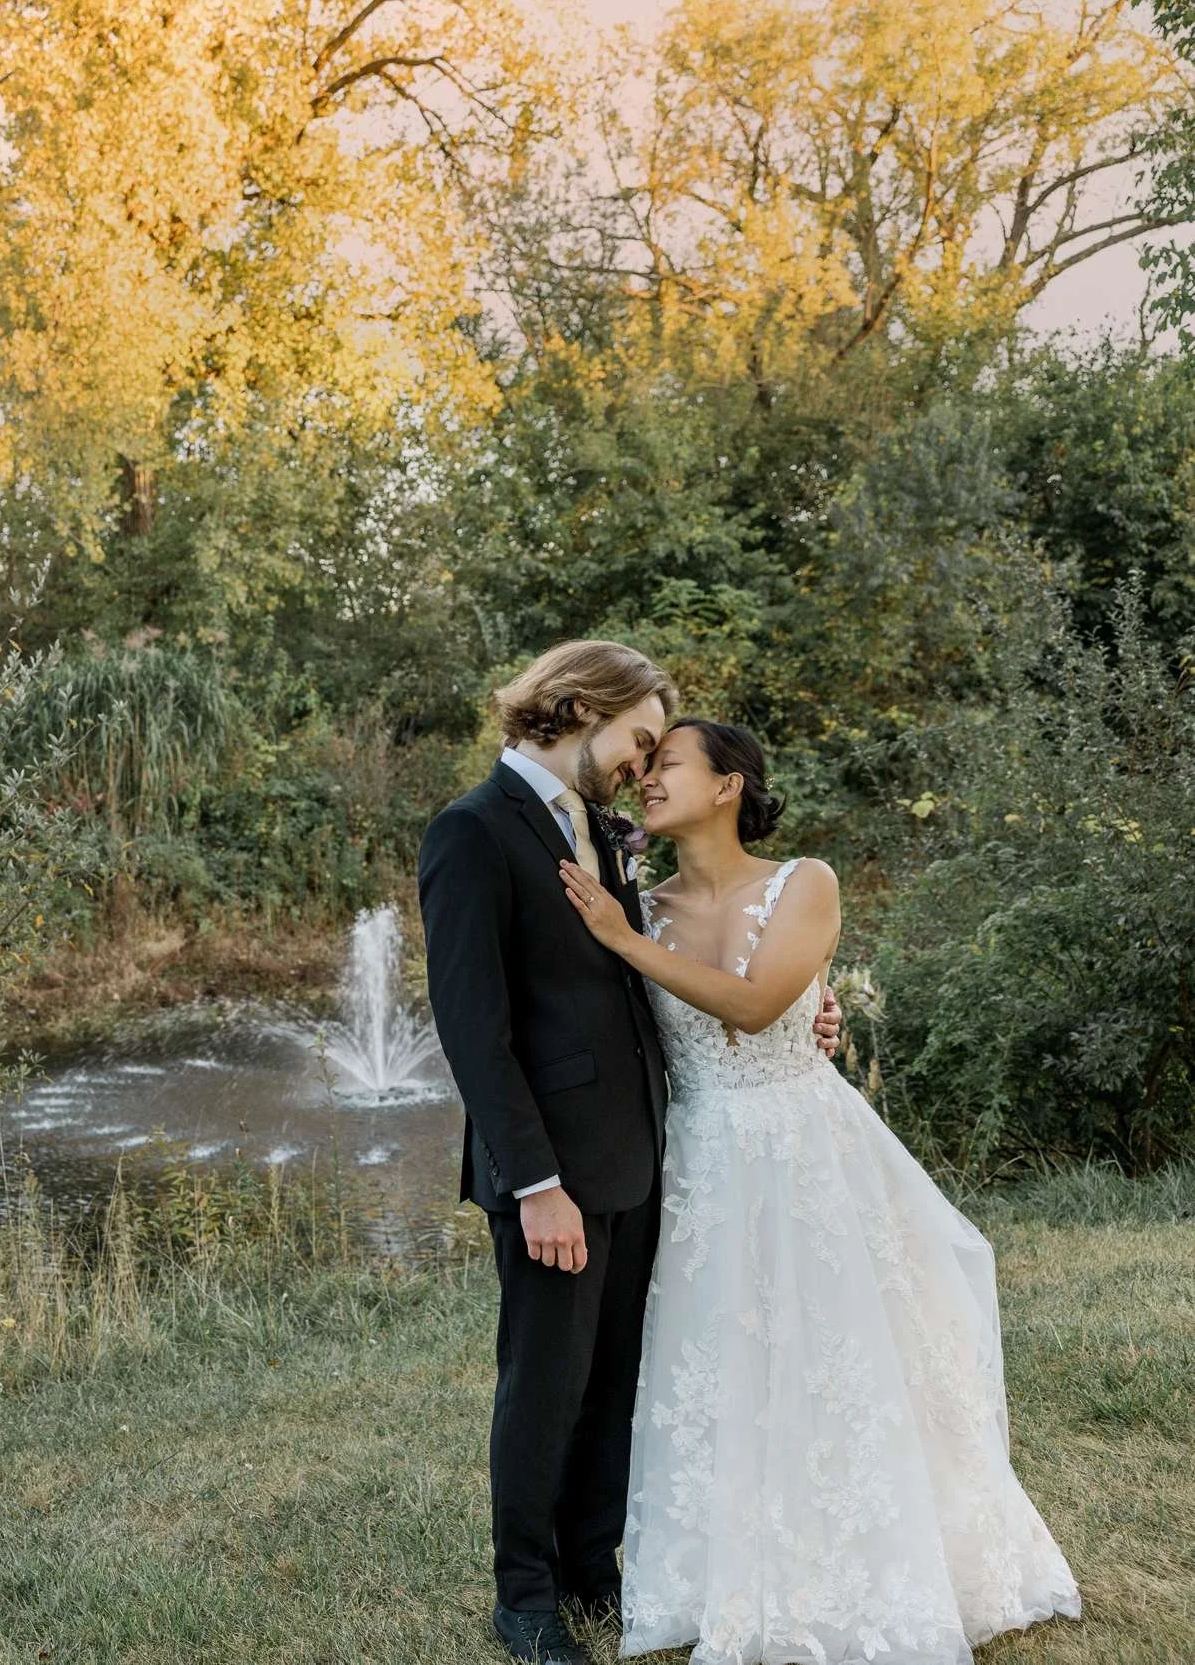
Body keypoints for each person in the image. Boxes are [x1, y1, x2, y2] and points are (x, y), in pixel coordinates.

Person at [556, 717, 1079, 1665]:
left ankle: (886, 1567)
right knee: (724, 1362)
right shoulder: (640, 901)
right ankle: (733, 1573)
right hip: (704, 1164)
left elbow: (757, 1011)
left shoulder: (805, 881)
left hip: (810, 1152)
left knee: (842, 1354)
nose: (646, 782)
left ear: (727, 786)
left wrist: (622, 943)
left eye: (667, 764)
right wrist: (621, 931)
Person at [419, 643, 844, 1665]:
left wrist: (803, 1011)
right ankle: (522, 1598)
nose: (642, 768)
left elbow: (653, 978)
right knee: (545, 1380)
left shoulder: (605, 837)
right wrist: (534, 1184)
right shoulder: (472, 833)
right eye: (638, 740)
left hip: (645, 1155)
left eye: (659, 752)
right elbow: (475, 1031)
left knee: (616, 1379)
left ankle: (591, 1569)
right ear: (574, 707)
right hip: (552, 1175)